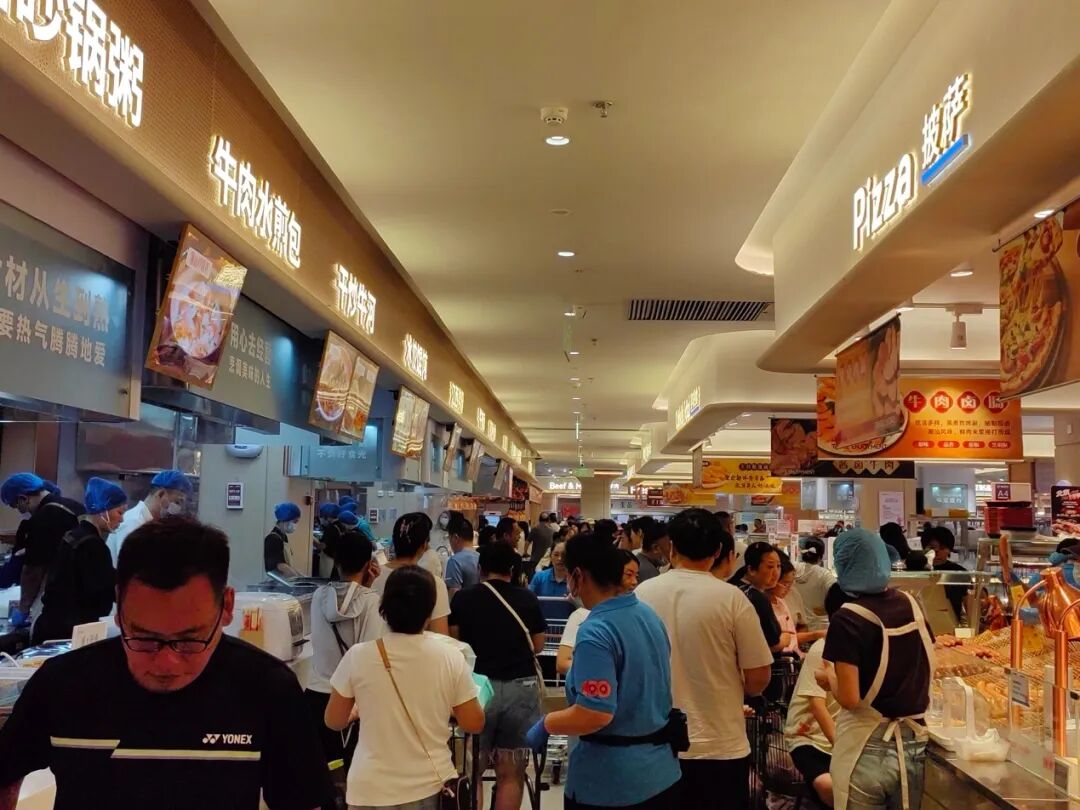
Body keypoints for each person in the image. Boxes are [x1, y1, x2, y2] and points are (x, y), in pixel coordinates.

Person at [0, 516, 333, 809]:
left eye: (189, 640)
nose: (167, 663)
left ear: (227, 607)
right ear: (119, 605)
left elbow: (303, 802)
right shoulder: (63, 684)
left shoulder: (268, 689)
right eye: (144, 639)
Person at [526, 534, 682, 809]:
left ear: (578, 575)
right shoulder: (647, 615)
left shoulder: (596, 631)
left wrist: (547, 724)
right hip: (661, 772)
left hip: (610, 782)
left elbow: (595, 713)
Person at [637, 509, 772, 810]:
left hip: (653, 741)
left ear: (671, 547)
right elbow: (758, 677)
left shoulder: (642, 594)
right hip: (719, 741)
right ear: (718, 550)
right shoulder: (732, 598)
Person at [325, 566, 484, 810]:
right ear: (430, 610)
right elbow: (474, 723)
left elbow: (334, 721)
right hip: (428, 786)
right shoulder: (450, 657)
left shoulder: (358, 656)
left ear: (384, 607)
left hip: (369, 788)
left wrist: (357, 710)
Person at [816, 528, 934, 810]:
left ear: (844, 565)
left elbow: (849, 698)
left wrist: (828, 677)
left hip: (866, 750)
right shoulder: (911, 603)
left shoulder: (847, 618)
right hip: (913, 747)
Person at [449, 542, 546, 810]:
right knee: (511, 774)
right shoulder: (528, 599)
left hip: (477, 689)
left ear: (480, 569)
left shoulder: (463, 599)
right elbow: (538, 645)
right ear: (512, 570)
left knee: (472, 771)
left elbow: (455, 643)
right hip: (521, 688)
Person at [307, 529, 383, 777]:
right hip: (352, 703)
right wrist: (368, 589)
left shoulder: (318, 596)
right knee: (352, 776)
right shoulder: (372, 602)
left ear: (337, 562)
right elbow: (368, 656)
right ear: (368, 565)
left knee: (322, 774)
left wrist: (365, 588)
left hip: (316, 696)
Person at [32, 478, 126, 644]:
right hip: (69, 631)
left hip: (50, 625)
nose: (122, 519)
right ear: (102, 510)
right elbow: (104, 590)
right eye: (119, 513)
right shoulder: (93, 545)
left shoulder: (73, 535)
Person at [784, 584, 849, 808]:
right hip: (809, 739)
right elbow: (817, 706)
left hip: (843, 738)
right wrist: (841, 749)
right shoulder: (823, 648)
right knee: (829, 786)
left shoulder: (859, 646)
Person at [0, 473, 81, 628]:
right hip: (82, 598)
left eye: (16, 506)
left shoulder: (43, 518)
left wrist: (23, 609)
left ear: (23, 498)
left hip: (57, 603)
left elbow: (33, 571)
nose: (19, 511)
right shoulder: (75, 507)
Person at [557, 552, 641, 676]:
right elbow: (562, 663)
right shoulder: (581, 616)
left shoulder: (640, 615)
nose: (634, 582)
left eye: (636, 575)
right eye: (628, 574)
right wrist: (599, 667)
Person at [372, 513, 451, 636]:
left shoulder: (372, 576)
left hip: (377, 647)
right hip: (418, 648)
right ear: (424, 546)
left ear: (393, 541)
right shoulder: (433, 583)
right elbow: (441, 636)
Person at [107, 469, 192, 565]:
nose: (179, 509)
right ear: (161, 494)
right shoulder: (134, 522)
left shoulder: (153, 525)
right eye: (177, 502)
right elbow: (130, 566)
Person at [733, 541, 788, 653]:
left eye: (778, 566)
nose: (776, 573)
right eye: (770, 567)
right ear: (751, 570)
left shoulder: (733, 585)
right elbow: (773, 642)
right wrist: (785, 639)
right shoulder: (757, 598)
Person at [770, 552, 813, 657]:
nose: (788, 588)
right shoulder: (760, 603)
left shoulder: (782, 601)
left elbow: (794, 634)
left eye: (791, 583)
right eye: (785, 584)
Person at [923, 526, 968, 623]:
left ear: (950, 550)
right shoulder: (917, 570)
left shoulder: (959, 572)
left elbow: (969, 601)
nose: (937, 552)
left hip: (952, 624)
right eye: (932, 548)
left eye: (942, 548)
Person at [795, 537, 837, 632]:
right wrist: (826, 609)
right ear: (821, 556)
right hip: (819, 627)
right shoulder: (824, 574)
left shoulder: (793, 570)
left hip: (797, 626)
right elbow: (836, 598)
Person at [444, 514, 480, 599]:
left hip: (464, 605)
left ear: (455, 537)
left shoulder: (454, 561)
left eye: (449, 539)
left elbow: (453, 595)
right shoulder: (480, 556)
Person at [264, 501, 302, 578]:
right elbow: (281, 566)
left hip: (285, 580)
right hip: (278, 581)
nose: (295, 525)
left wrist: (301, 576)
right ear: (285, 519)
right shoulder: (273, 539)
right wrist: (297, 578)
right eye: (294, 521)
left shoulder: (283, 536)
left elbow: (287, 564)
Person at [494, 517, 527, 585]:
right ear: (506, 535)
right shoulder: (515, 558)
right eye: (517, 533)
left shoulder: (484, 553)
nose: (519, 537)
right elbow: (518, 584)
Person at [527, 512, 555, 577]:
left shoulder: (535, 529)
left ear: (539, 520)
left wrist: (525, 552)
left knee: (534, 577)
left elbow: (527, 542)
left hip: (535, 558)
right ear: (548, 520)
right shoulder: (552, 531)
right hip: (547, 560)